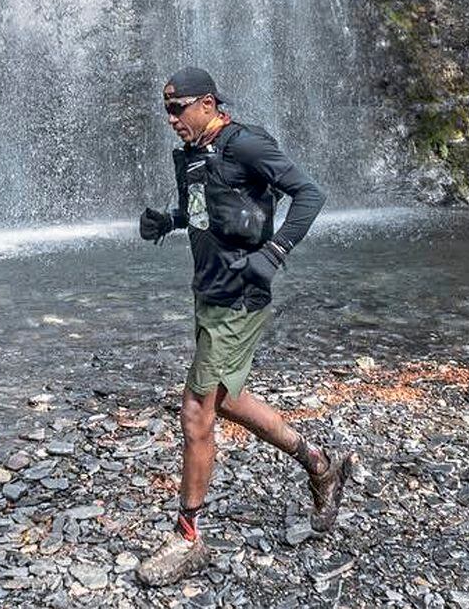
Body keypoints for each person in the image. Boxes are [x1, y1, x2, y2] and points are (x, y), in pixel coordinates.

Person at [132, 66, 353, 587]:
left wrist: (274, 253)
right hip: (208, 293)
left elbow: (310, 194)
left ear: (207, 103)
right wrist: (168, 221)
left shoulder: (248, 145)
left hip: (240, 296)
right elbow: (207, 211)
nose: (170, 119)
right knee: (227, 399)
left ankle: (189, 537)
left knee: (195, 410)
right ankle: (320, 464)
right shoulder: (192, 154)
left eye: (177, 108)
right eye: (165, 109)